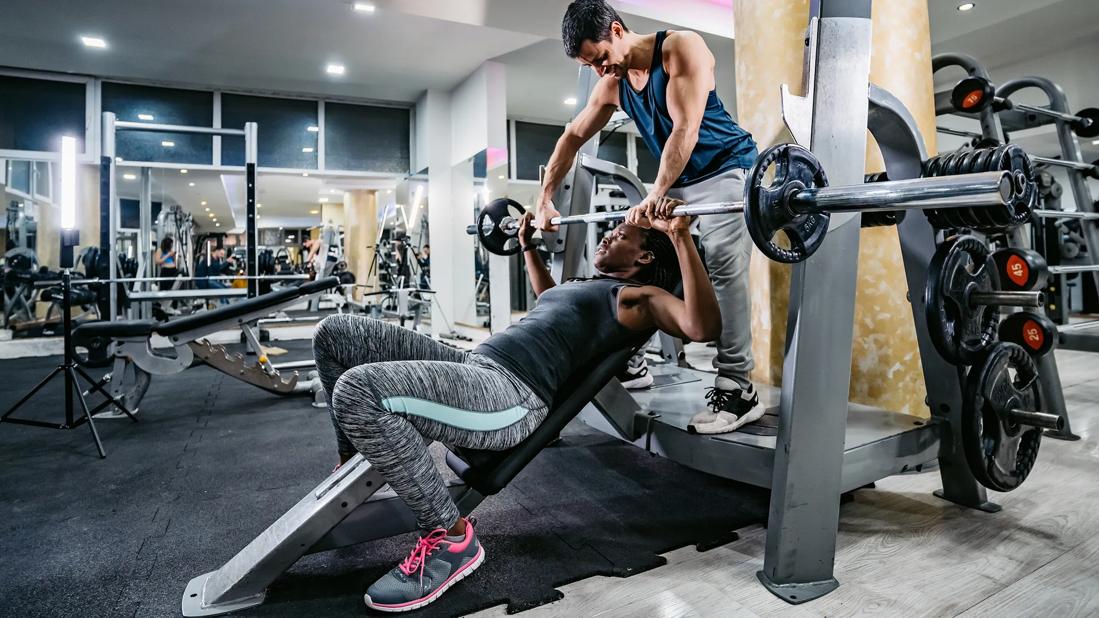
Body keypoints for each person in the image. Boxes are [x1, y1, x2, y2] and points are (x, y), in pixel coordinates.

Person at [313, 201, 719, 611]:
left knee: (358, 391)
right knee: (335, 333)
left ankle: (452, 540)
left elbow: (702, 327)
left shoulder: (638, 298)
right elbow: (549, 297)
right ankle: (353, 460)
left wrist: (680, 235)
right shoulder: (584, 285)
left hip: (508, 394)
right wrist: (527, 245)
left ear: (644, 256)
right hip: (474, 362)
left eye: (621, 235)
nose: (609, 233)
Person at [537, 0, 762, 434]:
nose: (601, 71)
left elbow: (685, 129)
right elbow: (571, 137)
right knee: (635, 261)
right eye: (591, 66)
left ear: (617, 31)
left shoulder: (681, 48)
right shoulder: (613, 83)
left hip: (727, 171)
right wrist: (545, 199)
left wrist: (656, 192)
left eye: (601, 58)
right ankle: (631, 360)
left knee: (720, 266)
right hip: (676, 179)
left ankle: (738, 386)